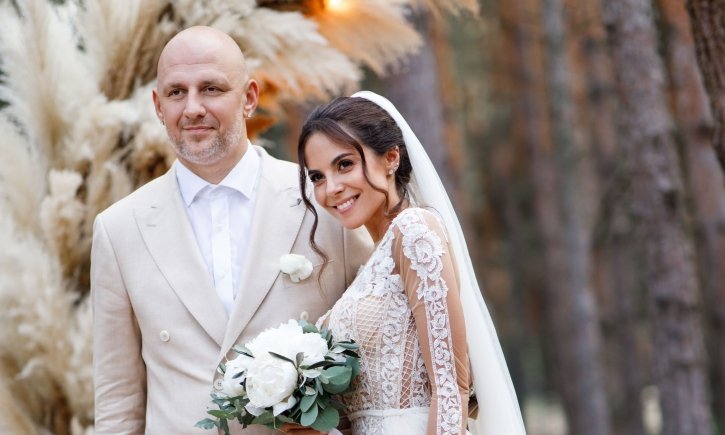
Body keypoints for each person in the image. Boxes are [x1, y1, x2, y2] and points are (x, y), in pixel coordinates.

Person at [90, 26, 371, 434]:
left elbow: (380, 355)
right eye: (176, 92)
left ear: (249, 97)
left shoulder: (323, 202)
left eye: (211, 89)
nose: (192, 108)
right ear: (158, 105)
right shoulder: (118, 229)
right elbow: (117, 403)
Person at [297, 91, 527, 435]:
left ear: (391, 158)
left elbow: (450, 390)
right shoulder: (373, 261)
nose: (331, 188)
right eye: (317, 177)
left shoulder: (413, 230)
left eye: (344, 165)